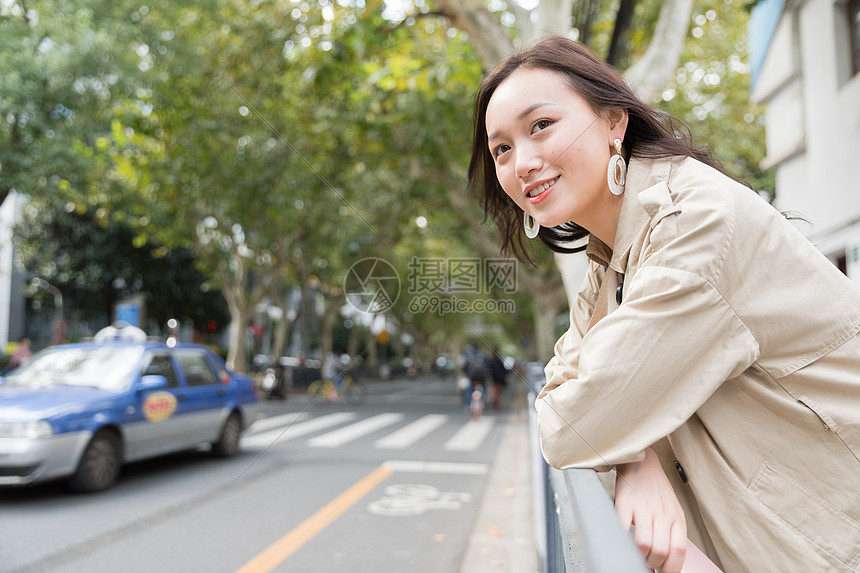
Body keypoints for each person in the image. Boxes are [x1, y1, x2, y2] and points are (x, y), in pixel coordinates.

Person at [469, 36, 860, 573]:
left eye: (541, 126)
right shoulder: (610, 252)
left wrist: (618, 433)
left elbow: (569, 424)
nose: (523, 162)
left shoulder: (695, 225)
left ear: (613, 122)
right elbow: (569, 388)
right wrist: (636, 456)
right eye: (502, 150)